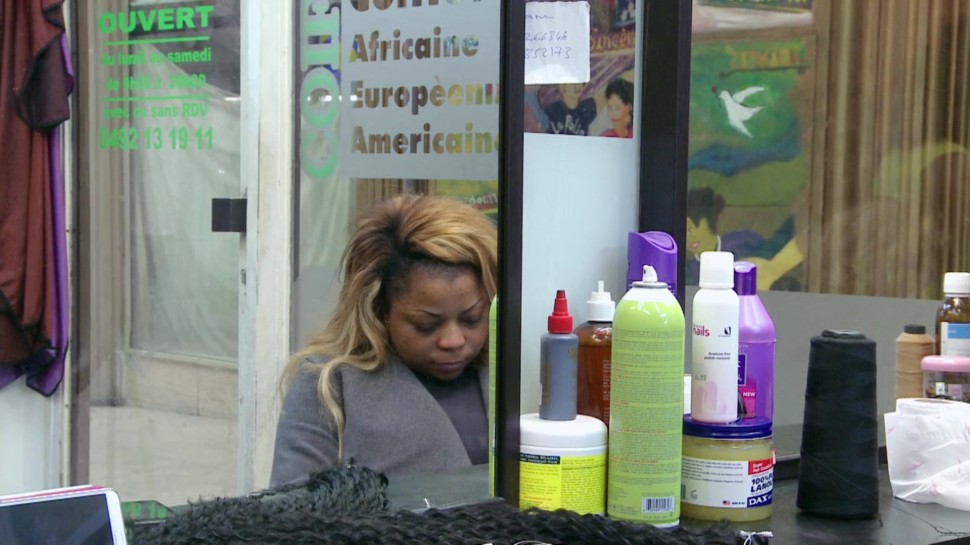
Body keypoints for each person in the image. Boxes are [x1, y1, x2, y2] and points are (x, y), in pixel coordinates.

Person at [269, 194, 498, 487]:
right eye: (426, 325)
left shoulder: (513, 373)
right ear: (379, 309)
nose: (453, 341)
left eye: (471, 319)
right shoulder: (329, 383)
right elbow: (290, 516)